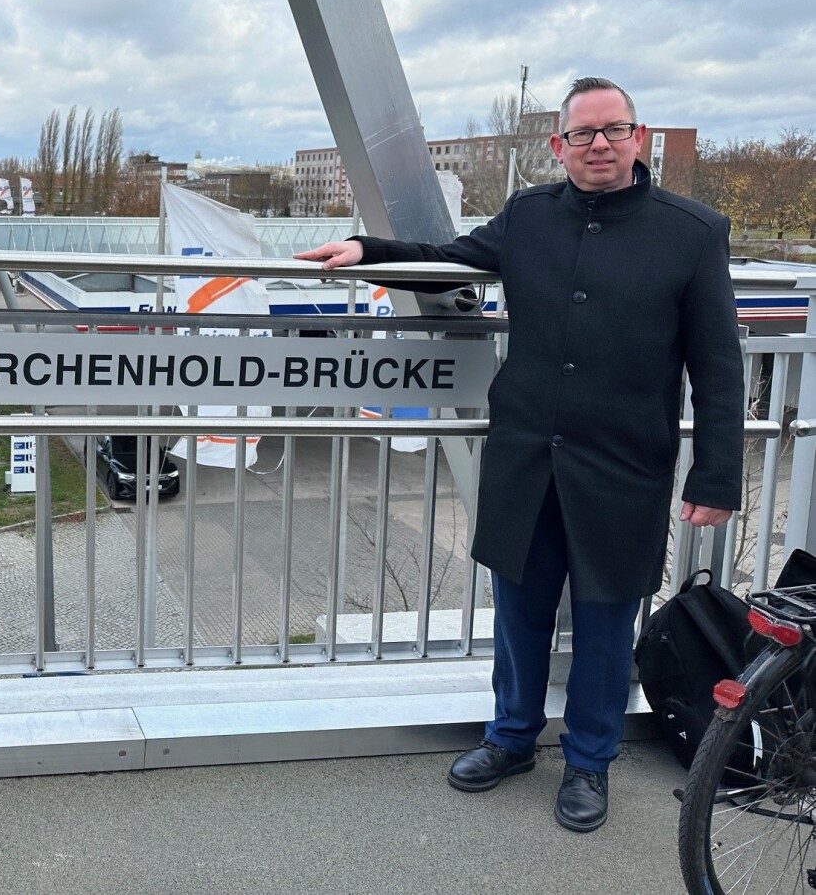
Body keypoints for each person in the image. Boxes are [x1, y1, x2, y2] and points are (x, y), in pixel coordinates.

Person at [297, 77, 743, 833]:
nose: (599, 144)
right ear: (558, 145)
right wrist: (368, 250)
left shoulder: (693, 230)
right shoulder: (528, 216)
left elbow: (718, 361)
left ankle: (589, 762)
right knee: (519, 611)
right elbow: (446, 258)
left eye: (614, 129)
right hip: (527, 456)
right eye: (583, 133)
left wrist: (716, 474)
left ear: (640, 137)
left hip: (623, 466)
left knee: (606, 623)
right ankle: (509, 739)